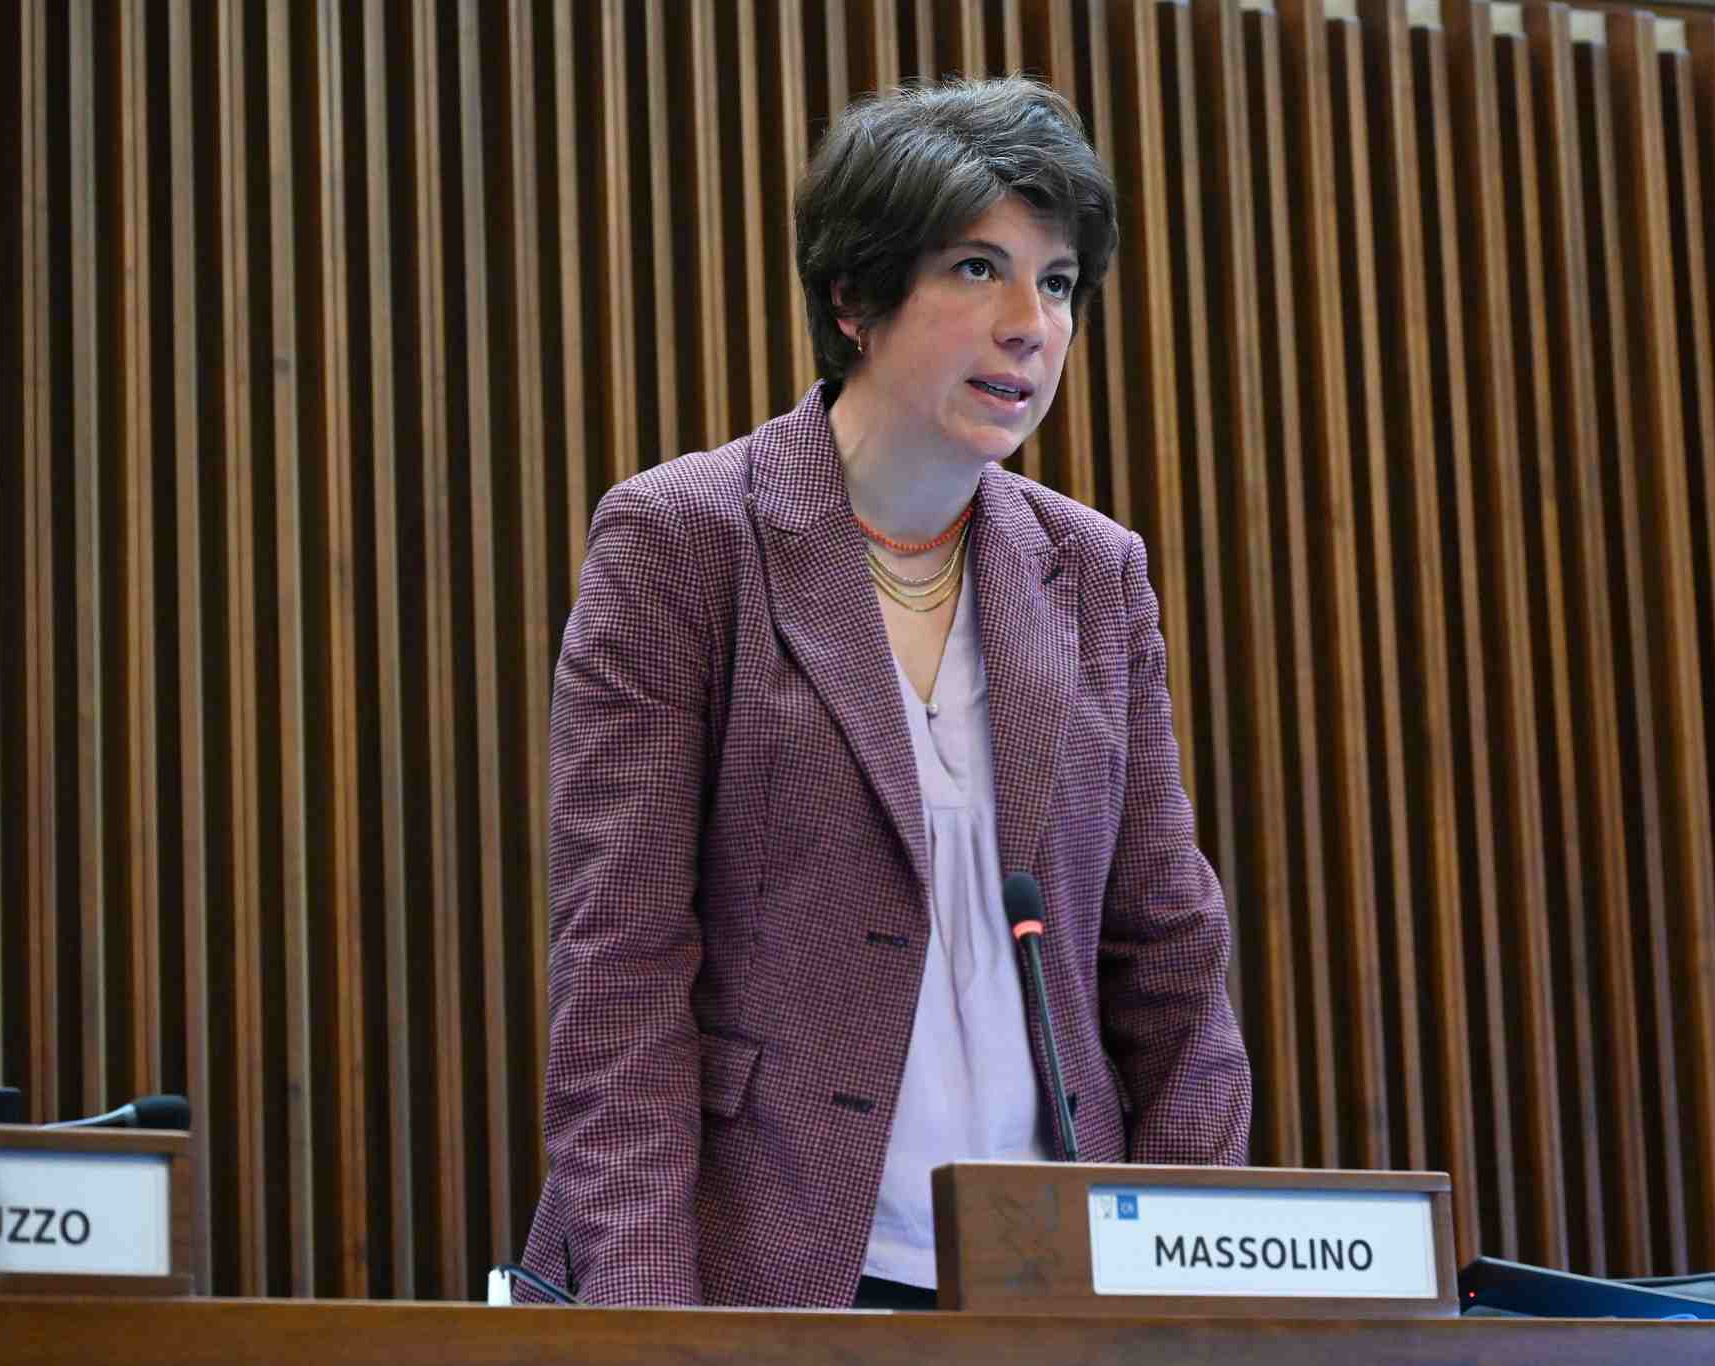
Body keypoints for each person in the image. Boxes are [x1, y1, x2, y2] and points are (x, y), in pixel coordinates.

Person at [518, 75, 1251, 1310]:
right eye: (976, 268)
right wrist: (645, 1323)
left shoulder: (1093, 571)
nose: (1029, 324)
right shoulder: (682, 540)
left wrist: (1195, 1297)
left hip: (1053, 1280)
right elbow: (620, 972)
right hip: (768, 1269)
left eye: (1057, 281)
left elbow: (1169, 957)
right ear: (853, 297)